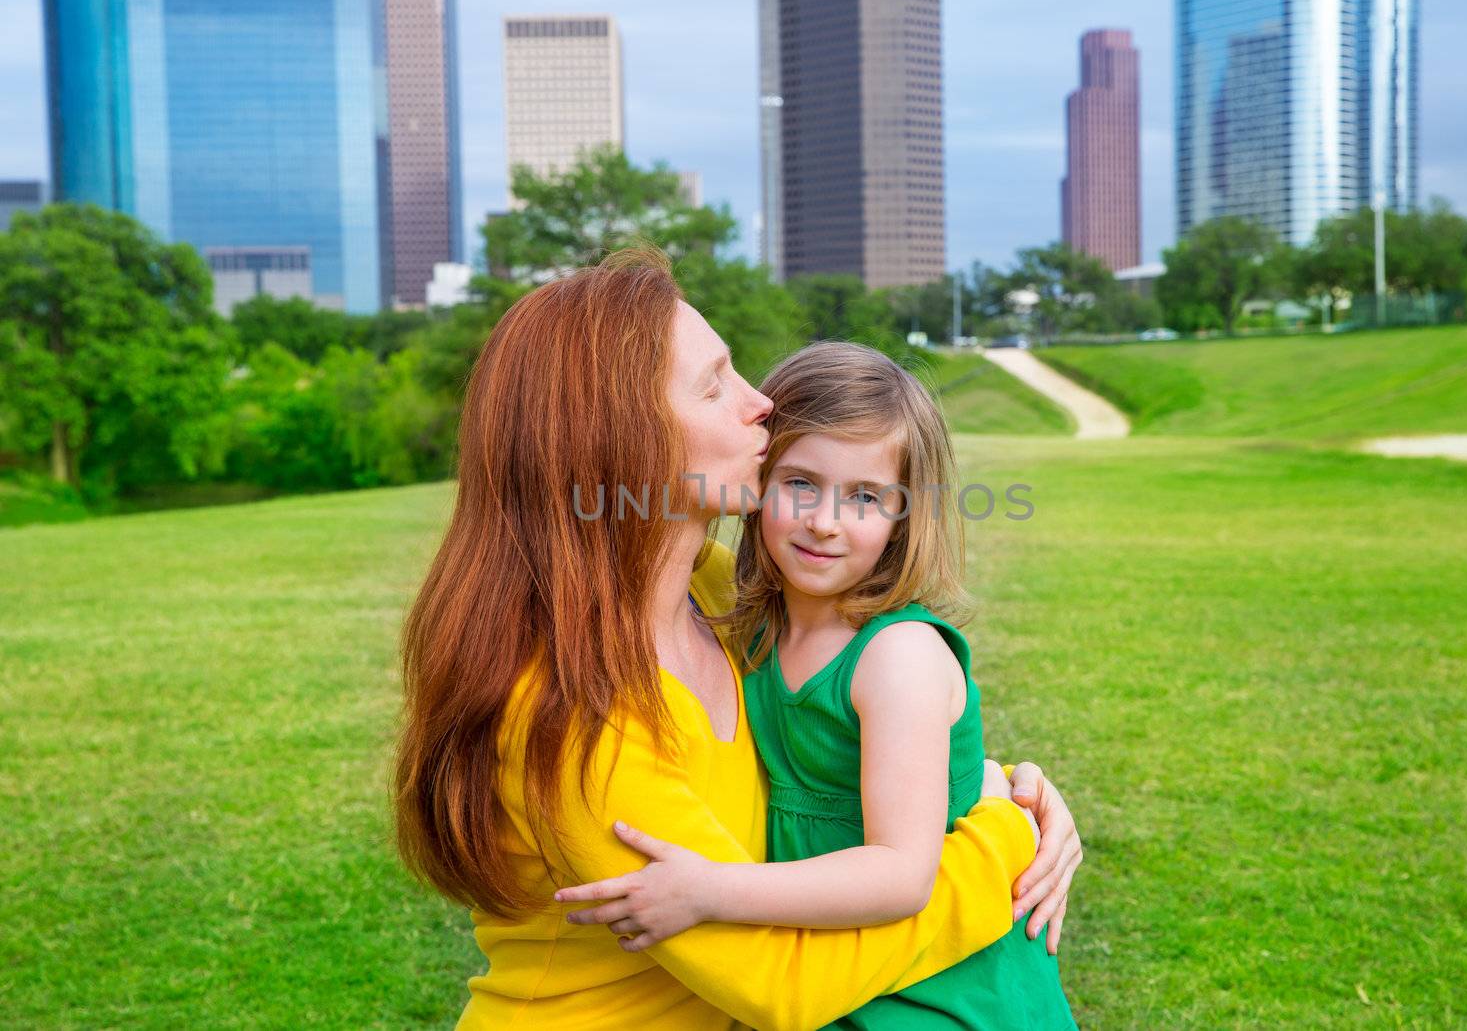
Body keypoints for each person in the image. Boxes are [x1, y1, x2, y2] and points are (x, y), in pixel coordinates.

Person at [395, 249, 1083, 1030]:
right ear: (628, 438)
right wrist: (1002, 844)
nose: (762, 403)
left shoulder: (724, 594)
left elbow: (856, 745)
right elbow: (783, 983)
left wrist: (1006, 780)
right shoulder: (572, 712)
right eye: (715, 384)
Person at [554, 341, 1077, 1028]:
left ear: (902, 517)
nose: (824, 521)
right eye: (801, 482)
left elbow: (901, 872)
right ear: (758, 479)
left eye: (864, 496)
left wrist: (711, 890)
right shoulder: (749, 626)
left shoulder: (897, 656)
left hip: (939, 988)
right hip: (837, 968)